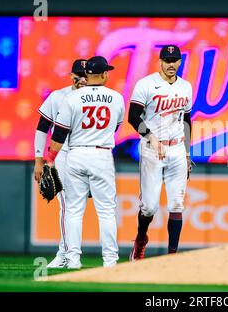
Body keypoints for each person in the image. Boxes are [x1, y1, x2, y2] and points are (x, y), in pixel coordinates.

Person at [46, 56, 125, 268]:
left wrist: (50, 160)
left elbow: (59, 134)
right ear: (104, 74)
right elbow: (116, 126)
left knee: (73, 210)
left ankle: (72, 260)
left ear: (87, 75)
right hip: (102, 154)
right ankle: (110, 260)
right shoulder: (116, 98)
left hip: (76, 154)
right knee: (107, 211)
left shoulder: (72, 98)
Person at [128, 45, 193, 261]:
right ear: (160, 61)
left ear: (180, 62)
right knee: (149, 207)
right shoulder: (146, 84)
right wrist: (150, 136)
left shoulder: (186, 87)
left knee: (176, 204)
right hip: (152, 149)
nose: (171, 64)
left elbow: (186, 120)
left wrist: (186, 152)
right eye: (167, 60)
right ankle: (141, 238)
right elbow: (133, 116)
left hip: (176, 148)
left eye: (175, 60)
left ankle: (172, 257)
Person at [33, 59, 87, 268]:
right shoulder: (58, 96)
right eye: (78, 75)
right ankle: (65, 254)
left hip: (88, 156)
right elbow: (42, 127)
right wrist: (39, 160)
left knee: (78, 208)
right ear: (71, 75)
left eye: (85, 75)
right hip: (63, 154)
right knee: (67, 206)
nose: (82, 79)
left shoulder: (96, 98)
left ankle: (71, 254)